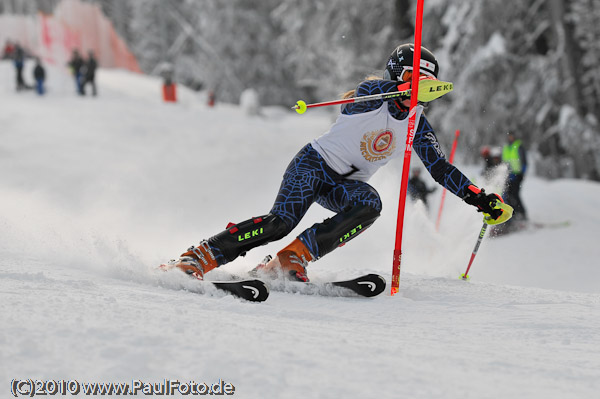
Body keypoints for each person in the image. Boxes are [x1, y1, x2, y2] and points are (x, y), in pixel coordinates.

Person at [164, 43, 510, 282]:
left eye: (426, 84)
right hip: (313, 165)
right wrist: (394, 91)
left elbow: (440, 169)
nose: (416, 89)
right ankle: (200, 256)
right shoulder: (373, 96)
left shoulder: (416, 123)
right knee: (281, 221)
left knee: (370, 203)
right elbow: (357, 101)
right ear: (395, 77)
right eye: (410, 79)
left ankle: (291, 259)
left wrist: (479, 198)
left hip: (342, 186)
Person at [502, 132, 527, 221]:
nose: (511, 138)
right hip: (508, 175)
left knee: (515, 194)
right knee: (508, 195)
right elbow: (504, 161)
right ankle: (513, 215)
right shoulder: (506, 147)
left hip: (517, 174)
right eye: (509, 136)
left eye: (512, 136)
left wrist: (521, 173)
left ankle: (522, 214)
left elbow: (524, 161)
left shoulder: (518, 146)